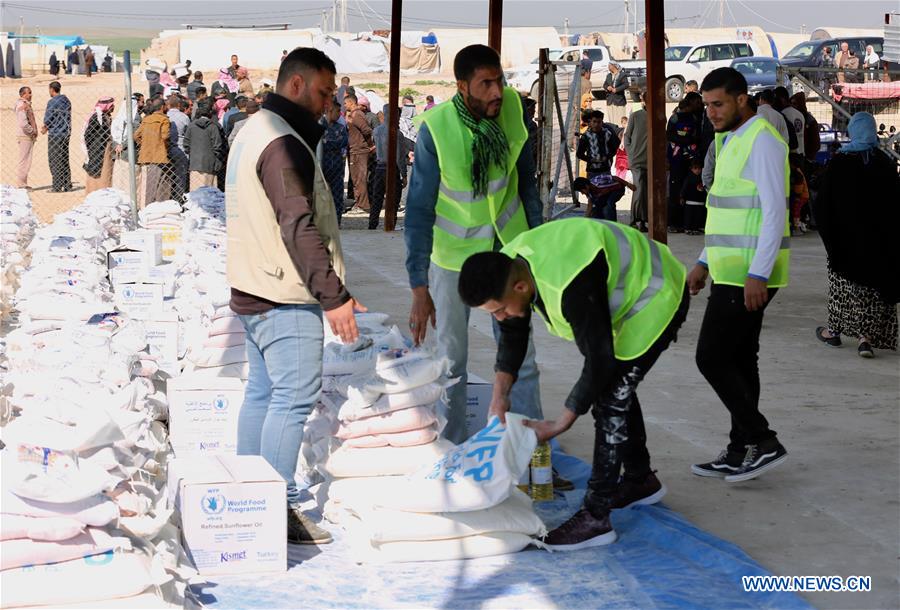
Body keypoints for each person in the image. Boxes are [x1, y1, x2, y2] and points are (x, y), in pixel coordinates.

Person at [457, 217, 689, 549]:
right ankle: (640, 480)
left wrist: (560, 423)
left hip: (655, 294)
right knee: (613, 388)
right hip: (614, 289)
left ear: (520, 288)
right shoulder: (510, 264)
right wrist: (499, 397)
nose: (500, 317)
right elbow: (513, 333)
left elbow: (600, 361)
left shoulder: (569, 284)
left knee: (609, 399)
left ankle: (596, 517)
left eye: (499, 310)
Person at [227, 47, 363, 546]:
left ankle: (248, 493)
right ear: (298, 85)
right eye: (325, 92)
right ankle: (275, 508)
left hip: (255, 287)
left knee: (263, 393)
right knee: (293, 398)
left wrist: (341, 288)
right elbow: (297, 224)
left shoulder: (255, 129)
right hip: (284, 294)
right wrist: (332, 297)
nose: (331, 103)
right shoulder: (281, 142)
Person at [405, 44, 546, 445]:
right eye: (485, 84)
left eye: (499, 80)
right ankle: (452, 450)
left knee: (522, 357)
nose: (497, 91)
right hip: (453, 261)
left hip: (508, 254)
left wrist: (536, 250)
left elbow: (527, 187)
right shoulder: (437, 129)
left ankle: (526, 448)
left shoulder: (513, 111)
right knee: (451, 361)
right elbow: (418, 211)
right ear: (462, 87)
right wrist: (419, 285)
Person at [688, 67, 790, 482]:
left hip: (748, 273)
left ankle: (763, 441)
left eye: (719, 104)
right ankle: (739, 450)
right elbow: (727, 211)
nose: (711, 112)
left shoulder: (762, 140)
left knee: (710, 357)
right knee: (741, 359)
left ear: (742, 100)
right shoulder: (729, 139)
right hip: (729, 269)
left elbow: (773, 212)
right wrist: (704, 260)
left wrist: (758, 274)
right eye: (708, 104)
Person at [812, 112, 899, 358]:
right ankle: (865, 339)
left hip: (845, 241)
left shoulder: (840, 162)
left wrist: (829, 232)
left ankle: (834, 332)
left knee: (844, 288)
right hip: (878, 243)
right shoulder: (885, 163)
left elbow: (823, 204)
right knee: (872, 289)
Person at [369, 104, 410, 230]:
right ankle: (391, 223)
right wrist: (404, 174)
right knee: (394, 200)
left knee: (377, 198)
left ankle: (372, 224)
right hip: (392, 169)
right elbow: (399, 157)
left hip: (379, 168)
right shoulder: (397, 134)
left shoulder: (376, 131)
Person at [666, 94, 702, 233]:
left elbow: (696, 135)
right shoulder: (675, 118)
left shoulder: (693, 118)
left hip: (689, 159)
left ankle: (685, 222)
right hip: (676, 159)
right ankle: (673, 223)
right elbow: (669, 135)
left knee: (688, 190)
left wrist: (689, 142)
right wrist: (685, 141)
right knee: (675, 190)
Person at [134, 98, 172, 208]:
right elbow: (165, 136)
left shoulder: (146, 119)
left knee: (147, 186)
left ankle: (145, 208)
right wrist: (161, 146)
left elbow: (136, 136)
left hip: (146, 156)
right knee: (161, 186)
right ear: (162, 107)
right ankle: (158, 209)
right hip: (160, 156)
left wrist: (145, 144)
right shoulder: (164, 120)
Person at [184, 98, 226, 191]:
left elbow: (186, 144)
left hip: (195, 164)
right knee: (209, 193)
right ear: (210, 112)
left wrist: (193, 154)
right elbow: (218, 146)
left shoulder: (191, 126)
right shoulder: (213, 127)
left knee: (195, 193)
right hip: (209, 165)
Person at [319, 99, 349, 224]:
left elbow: (343, 142)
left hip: (337, 166)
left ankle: (337, 222)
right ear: (329, 111)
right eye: (337, 111)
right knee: (321, 195)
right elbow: (318, 143)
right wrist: (329, 144)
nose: (339, 114)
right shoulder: (319, 127)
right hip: (322, 165)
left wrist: (327, 143)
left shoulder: (341, 128)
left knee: (337, 196)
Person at [344, 93, 374, 212]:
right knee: (356, 178)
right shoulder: (354, 115)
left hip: (359, 151)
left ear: (351, 102)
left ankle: (363, 205)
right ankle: (359, 203)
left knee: (359, 178)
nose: (344, 105)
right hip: (356, 150)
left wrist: (368, 145)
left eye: (345, 103)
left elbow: (367, 130)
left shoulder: (357, 115)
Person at [42, 81, 73, 192]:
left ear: (51, 89)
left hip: (55, 134)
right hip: (66, 133)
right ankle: (67, 185)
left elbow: (48, 118)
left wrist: (45, 126)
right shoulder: (66, 100)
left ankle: (56, 186)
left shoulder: (52, 102)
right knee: (64, 158)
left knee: (54, 160)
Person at [624, 91, 648, 232]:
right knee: (639, 190)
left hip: (651, 160)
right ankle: (635, 219)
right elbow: (627, 137)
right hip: (637, 160)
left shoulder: (658, 116)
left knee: (646, 192)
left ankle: (642, 220)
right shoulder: (636, 115)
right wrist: (631, 153)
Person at [111, 93, 144, 192]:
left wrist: (117, 145)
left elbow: (114, 133)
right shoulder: (136, 118)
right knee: (130, 181)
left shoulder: (119, 116)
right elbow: (134, 135)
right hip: (130, 153)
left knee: (120, 179)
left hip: (119, 153)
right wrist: (121, 145)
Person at [82, 97, 115, 193]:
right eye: (111, 105)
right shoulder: (96, 117)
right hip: (97, 148)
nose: (113, 107)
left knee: (105, 171)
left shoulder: (105, 116)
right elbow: (88, 134)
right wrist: (94, 145)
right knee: (95, 171)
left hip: (104, 149)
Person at [577, 110, 619, 180]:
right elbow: (579, 154)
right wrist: (591, 160)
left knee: (605, 189)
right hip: (592, 171)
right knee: (593, 190)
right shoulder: (586, 136)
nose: (596, 124)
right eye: (594, 121)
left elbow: (614, 149)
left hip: (606, 169)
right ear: (591, 121)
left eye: (599, 122)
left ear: (602, 122)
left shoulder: (608, 133)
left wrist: (607, 157)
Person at [166, 95, 190, 200]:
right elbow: (188, 133)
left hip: (166, 149)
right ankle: (179, 198)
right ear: (179, 105)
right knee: (181, 175)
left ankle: (168, 197)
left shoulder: (165, 115)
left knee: (167, 175)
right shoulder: (184, 117)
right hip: (181, 149)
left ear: (168, 105)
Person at [15, 86, 37, 189]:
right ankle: (21, 184)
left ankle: (23, 183)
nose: (31, 95)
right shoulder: (22, 105)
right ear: (23, 94)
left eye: (31, 92)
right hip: (25, 136)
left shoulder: (25, 104)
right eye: (29, 93)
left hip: (26, 135)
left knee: (26, 160)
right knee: (24, 161)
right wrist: (32, 131)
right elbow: (23, 123)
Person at [790, 92, 820, 163]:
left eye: (794, 104)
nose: (792, 106)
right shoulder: (792, 117)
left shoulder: (810, 121)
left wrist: (809, 158)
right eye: (791, 104)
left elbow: (815, 144)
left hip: (806, 158)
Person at [774, 86, 804, 157]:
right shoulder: (800, 114)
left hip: (790, 154)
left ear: (782, 99)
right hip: (801, 153)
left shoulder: (782, 115)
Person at [680, 157, 706, 234]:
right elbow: (684, 188)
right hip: (690, 202)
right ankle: (688, 228)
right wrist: (682, 197)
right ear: (691, 169)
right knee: (689, 216)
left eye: (699, 168)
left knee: (698, 217)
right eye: (695, 168)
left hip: (700, 202)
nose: (697, 170)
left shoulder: (703, 178)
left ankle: (696, 228)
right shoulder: (688, 178)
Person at [602, 61, 628, 126]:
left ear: (614, 66)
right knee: (612, 121)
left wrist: (616, 89)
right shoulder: (609, 75)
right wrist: (607, 87)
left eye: (609, 65)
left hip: (619, 100)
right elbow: (604, 84)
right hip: (610, 100)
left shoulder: (622, 75)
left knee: (619, 120)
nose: (608, 67)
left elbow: (626, 84)